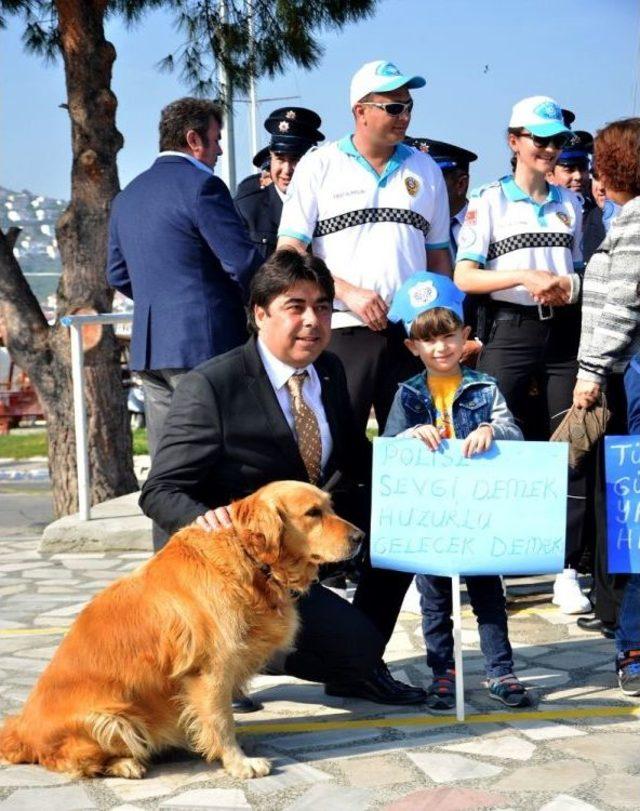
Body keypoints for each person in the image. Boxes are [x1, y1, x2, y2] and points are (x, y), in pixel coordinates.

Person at [139, 249, 428, 708]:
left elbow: (354, 461)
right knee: (352, 647)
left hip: (306, 535)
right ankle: (233, 658)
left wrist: (413, 465)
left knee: (406, 525)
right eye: (296, 307)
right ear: (260, 314)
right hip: (244, 566)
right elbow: (160, 491)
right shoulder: (212, 387)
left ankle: (361, 668)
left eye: (323, 307)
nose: (312, 321)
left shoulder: (329, 371)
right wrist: (213, 524)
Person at [454, 95, 590, 616]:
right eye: (541, 140)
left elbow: (577, 271)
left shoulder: (570, 204)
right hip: (509, 331)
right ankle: (484, 561)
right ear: (514, 141)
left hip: (562, 336)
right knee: (489, 439)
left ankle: (566, 568)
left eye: (558, 141)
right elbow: (466, 275)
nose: (551, 150)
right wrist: (521, 276)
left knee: (569, 445)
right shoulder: (488, 201)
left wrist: (564, 286)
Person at [107, 97, 262, 548]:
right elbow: (243, 262)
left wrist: (167, 303)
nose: (216, 152)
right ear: (193, 140)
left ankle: (171, 568)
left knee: (168, 475)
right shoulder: (202, 188)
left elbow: (116, 274)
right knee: (225, 466)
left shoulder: (128, 196)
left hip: (152, 352)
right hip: (208, 347)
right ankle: (231, 569)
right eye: (215, 141)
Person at [277, 60, 451, 435]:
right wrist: (349, 293)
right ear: (360, 111)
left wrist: (436, 324)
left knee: (418, 445)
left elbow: (439, 256)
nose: (404, 116)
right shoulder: (319, 165)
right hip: (342, 328)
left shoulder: (426, 169)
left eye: (408, 106)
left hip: (409, 336)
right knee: (336, 446)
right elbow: (289, 251)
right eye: (393, 107)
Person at [383, 272, 529, 709]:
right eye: (428, 340)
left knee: (488, 595)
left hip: (479, 516)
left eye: (448, 336)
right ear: (413, 346)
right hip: (431, 517)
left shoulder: (486, 387)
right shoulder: (406, 396)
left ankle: (500, 670)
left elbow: (514, 432)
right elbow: (389, 447)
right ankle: (443, 672)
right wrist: (410, 437)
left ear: (465, 336)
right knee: (434, 599)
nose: (440, 347)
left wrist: (491, 428)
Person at [572, 118, 640, 658]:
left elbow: (621, 305)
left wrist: (590, 372)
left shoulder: (636, 221)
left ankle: (634, 645)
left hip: (631, 373)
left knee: (634, 511)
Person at [405, 136, 484, 358]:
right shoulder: (411, 229)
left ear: (461, 184)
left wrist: (479, 343)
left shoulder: (489, 224)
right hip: (425, 347)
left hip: (485, 350)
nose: (425, 187)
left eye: (434, 180)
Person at [235, 108, 324, 258]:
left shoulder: (330, 204)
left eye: (296, 159)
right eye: (280, 158)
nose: (287, 169)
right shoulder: (248, 207)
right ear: (270, 158)